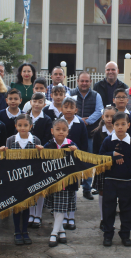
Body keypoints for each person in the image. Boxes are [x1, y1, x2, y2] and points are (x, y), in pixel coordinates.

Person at [0, 114, 44, 245]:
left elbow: (39, 162)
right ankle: (17, 231)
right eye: (20, 125)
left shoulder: (36, 141)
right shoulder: (10, 140)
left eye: (25, 125)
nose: (22, 128)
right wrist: (2, 152)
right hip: (15, 179)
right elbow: (6, 161)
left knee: (27, 206)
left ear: (31, 126)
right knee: (17, 207)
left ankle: (25, 231)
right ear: (15, 126)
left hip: (29, 179)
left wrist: (42, 151)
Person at [99, 111, 131, 247]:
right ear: (113, 125)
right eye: (117, 124)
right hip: (110, 181)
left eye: (123, 124)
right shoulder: (108, 141)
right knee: (108, 209)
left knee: (127, 210)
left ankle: (125, 234)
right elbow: (100, 157)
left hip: (127, 182)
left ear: (128, 125)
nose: (120, 127)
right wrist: (112, 154)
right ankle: (108, 234)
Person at [43, 119, 79, 247]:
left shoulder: (72, 145)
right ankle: (61, 230)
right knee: (57, 207)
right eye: (58, 129)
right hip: (53, 182)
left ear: (68, 132)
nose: (61, 132)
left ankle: (54, 232)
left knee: (61, 206)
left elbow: (80, 160)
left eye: (64, 130)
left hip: (67, 183)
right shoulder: (49, 145)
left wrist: (76, 152)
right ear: (52, 131)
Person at [71, 72, 103, 200]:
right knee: (72, 161)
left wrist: (87, 121)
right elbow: (67, 107)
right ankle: (71, 187)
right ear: (77, 81)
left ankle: (87, 188)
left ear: (90, 82)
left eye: (87, 81)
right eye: (82, 81)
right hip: (73, 133)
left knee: (88, 161)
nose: (84, 83)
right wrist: (79, 119)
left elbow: (99, 110)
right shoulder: (71, 94)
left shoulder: (96, 95)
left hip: (90, 133)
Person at [60, 96, 89, 229]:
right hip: (61, 162)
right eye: (65, 107)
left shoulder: (80, 124)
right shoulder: (58, 123)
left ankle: (71, 216)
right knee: (62, 189)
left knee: (73, 189)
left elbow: (84, 143)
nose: (68, 110)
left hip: (74, 162)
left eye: (71, 107)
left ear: (76, 110)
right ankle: (63, 216)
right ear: (61, 109)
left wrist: (81, 160)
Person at [26, 92, 53, 228]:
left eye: (40, 102)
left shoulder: (47, 119)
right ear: (31, 102)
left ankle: (38, 215)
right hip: (27, 157)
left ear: (44, 104)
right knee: (30, 186)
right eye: (34, 101)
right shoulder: (25, 117)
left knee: (40, 186)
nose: (37, 104)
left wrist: (42, 148)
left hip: (41, 156)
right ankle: (31, 213)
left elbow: (49, 137)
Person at [91, 106, 116, 230]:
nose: (109, 119)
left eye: (112, 116)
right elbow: (96, 152)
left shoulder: (120, 132)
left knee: (114, 193)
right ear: (103, 117)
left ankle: (112, 217)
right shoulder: (98, 133)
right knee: (102, 192)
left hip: (117, 167)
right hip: (102, 167)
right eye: (107, 116)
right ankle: (103, 218)